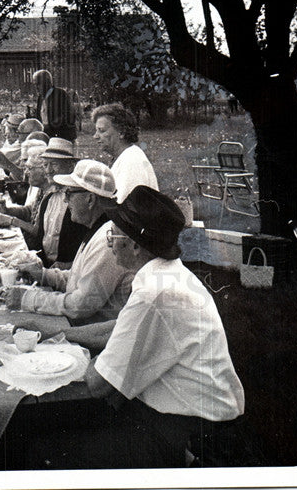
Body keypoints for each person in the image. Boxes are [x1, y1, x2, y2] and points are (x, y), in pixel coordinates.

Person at [84, 186, 245, 467]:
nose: (109, 243)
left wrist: (83, 358)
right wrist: (61, 334)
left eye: (114, 236)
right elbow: (120, 328)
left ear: (135, 244)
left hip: (194, 434)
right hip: (200, 419)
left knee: (61, 446)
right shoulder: (167, 274)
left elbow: (98, 383)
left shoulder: (154, 294)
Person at [6, 160, 134, 323]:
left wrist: (28, 299)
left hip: (88, 337)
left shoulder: (109, 240)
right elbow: (79, 278)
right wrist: (44, 275)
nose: (66, 201)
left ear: (90, 199)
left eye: (69, 193)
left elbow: (80, 305)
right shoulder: (97, 227)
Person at [27, 137, 88, 267]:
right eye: (45, 165)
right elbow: (40, 237)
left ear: (70, 166)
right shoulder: (48, 197)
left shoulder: (80, 198)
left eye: (54, 164)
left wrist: (68, 266)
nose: (48, 170)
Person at [92, 102, 157, 201]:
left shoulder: (132, 162)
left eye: (102, 130)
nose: (95, 136)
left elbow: (125, 208)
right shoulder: (123, 157)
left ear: (121, 132)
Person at [33, 69, 77, 142]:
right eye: (34, 84)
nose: (36, 87)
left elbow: (70, 116)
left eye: (38, 84)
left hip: (63, 138)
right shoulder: (40, 98)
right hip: (47, 137)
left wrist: (50, 126)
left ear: (47, 82)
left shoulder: (61, 94)